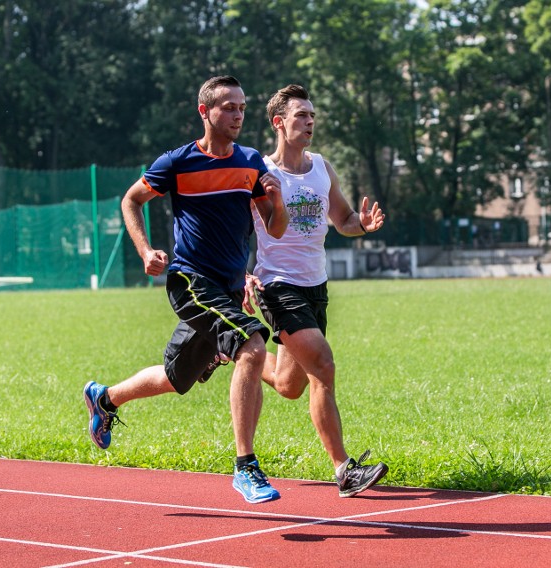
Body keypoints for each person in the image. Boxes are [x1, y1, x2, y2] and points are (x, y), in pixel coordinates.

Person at [83, 75, 289, 504]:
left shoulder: (252, 162)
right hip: (190, 282)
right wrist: (145, 250)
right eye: (228, 107)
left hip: (229, 290)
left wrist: (278, 199)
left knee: (178, 378)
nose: (237, 115)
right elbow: (131, 200)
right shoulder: (177, 162)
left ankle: (105, 399)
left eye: (242, 108)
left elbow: (275, 227)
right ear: (205, 112)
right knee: (251, 346)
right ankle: (245, 467)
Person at [244, 84, 387, 498]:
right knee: (323, 365)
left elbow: (341, 219)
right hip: (277, 285)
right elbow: (239, 229)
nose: (309, 122)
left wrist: (362, 225)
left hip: (316, 287)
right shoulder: (262, 173)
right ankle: (345, 470)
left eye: (312, 116)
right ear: (279, 123)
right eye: (301, 116)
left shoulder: (322, 168)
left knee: (290, 385)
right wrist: (243, 273)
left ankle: (234, 353)